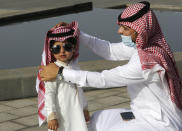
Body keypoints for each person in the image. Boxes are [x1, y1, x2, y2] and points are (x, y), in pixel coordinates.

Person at [39, 1, 182, 131]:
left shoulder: (147, 62)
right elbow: (109, 50)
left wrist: (61, 72)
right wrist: (76, 34)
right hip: (141, 113)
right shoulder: (146, 46)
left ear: (140, 31)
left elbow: (104, 79)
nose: (119, 31)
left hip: (160, 123)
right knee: (97, 120)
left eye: (125, 28)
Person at [36, 21, 89, 131]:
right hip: (61, 114)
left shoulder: (75, 66)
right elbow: (49, 94)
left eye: (67, 47)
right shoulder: (52, 70)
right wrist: (51, 116)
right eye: (57, 48)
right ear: (51, 50)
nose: (62, 51)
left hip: (76, 111)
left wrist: (84, 108)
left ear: (74, 48)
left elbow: (80, 90)